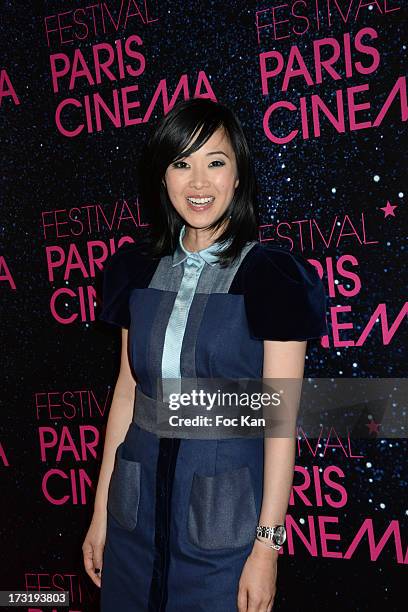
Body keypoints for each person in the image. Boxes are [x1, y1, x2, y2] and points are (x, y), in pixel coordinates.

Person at [82, 97, 328, 611]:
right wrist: (101, 512)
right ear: (164, 177)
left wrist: (268, 547)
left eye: (215, 162)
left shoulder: (271, 278)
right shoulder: (134, 270)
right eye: (181, 163)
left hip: (223, 526)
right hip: (134, 511)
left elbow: (279, 422)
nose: (198, 183)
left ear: (237, 176)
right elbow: (127, 394)